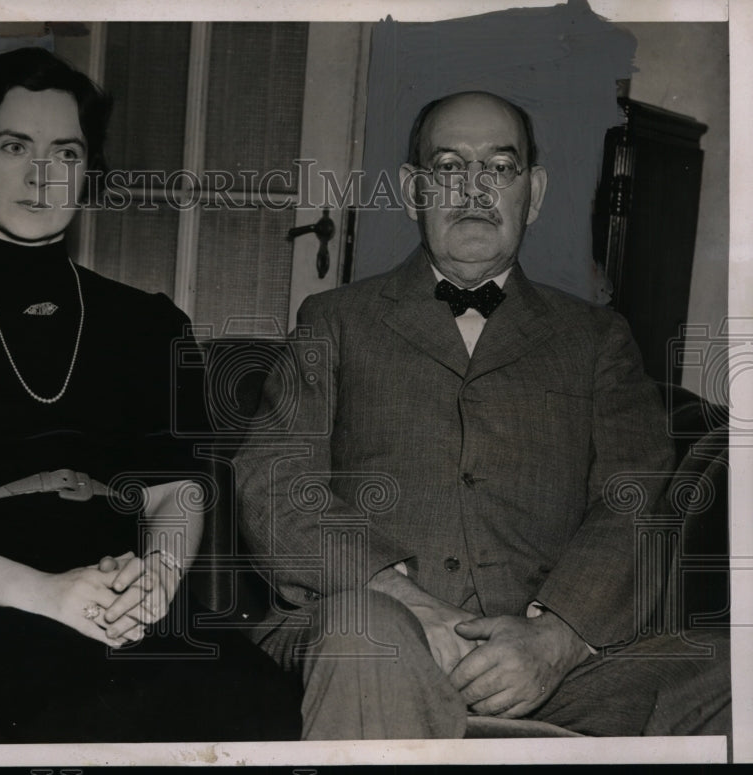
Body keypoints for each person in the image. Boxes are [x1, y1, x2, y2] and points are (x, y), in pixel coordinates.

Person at [0, 46, 300, 744]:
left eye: (66, 151)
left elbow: (178, 491)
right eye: (14, 145)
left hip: (121, 598)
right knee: (79, 706)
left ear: (88, 171)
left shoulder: (148, 323)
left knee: (256, 702)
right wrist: (48, 594)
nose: (41, 174)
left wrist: (156, 582)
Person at [234, 91, 730, 740]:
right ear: (414, 189)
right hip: (373, 637)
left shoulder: (597, 338)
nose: (474, 189)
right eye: (448, 167)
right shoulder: (335, 322)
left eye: (499, 167)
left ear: (535, 191)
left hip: (553, 672)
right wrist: (405, 603)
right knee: (366, 633)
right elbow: (273, 481)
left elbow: (633, 497)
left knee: (734, 667)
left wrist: (554, 640)